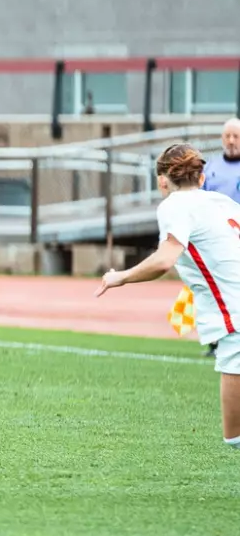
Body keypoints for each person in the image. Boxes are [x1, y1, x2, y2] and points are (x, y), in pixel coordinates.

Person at [97, 142, 240, 446]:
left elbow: (164, 260)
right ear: (201, 178)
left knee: (235, 437)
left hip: (235, 311)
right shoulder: (222, 202)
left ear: (162, 181)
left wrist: (119, 277)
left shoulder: (174, 205)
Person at [203, 119, 240, 204]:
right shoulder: (209, 167)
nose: (231, 141)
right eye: (227, 136)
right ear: (222, 138)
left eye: (236, 136)